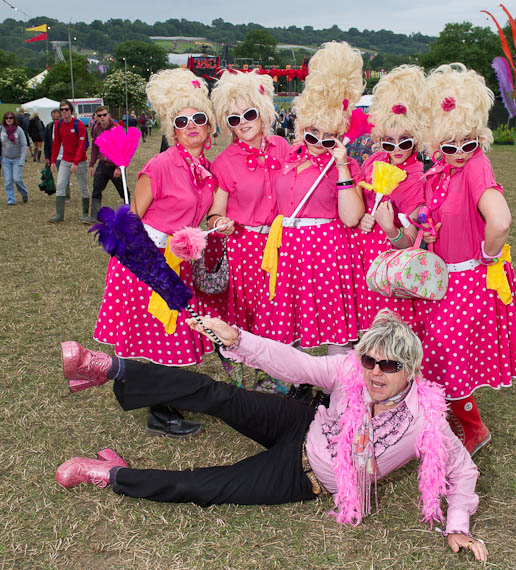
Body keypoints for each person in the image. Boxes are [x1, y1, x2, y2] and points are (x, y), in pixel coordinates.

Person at [56, 311, 488, 563]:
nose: (376, 372)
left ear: (411, 370)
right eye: (370, 360)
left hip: (306, 476)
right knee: (218, 394)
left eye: (390, 366)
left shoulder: (427, 422)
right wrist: (237, 339)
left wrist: (458, 525)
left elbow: (464, 472)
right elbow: (296, 363)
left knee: (206, 486)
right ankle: (107, 368)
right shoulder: (349, 371)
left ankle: (111, 475)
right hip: (301, 424)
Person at [93, 68, 219, 438]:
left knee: (170, 333)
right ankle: (160, 412)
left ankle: (158, 400)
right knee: (159, 333)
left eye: (199, 118)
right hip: (147, 259)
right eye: (183, 121)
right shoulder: (159, 166)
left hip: (181, 260)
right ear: (173, 130)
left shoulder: (207, 171)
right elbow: (132, 218)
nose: (192, 126)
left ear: (209, 127)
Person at [415, 63, 516, 455]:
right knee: (435, 350)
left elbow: (500, 220)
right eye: (451, 146)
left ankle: (474, 428)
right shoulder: (443, 171)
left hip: (466, 280)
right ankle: (449, 418)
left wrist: (485, 256)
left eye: (469, 143)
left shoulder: (477, 167)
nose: (461, 152)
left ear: (479, 135)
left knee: (445, 351)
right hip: (442, 278)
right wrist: (431, 232)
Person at [260, 41, 365, 407]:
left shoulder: (343, 166)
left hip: (324, 250)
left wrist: (339, 164)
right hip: (287, 250)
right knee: (289, 326)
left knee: (334, 329)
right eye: (312, 134)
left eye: (329, 137)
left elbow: (351, 217)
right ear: (302, 126)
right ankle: (292, 389)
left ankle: (344, 395)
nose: (319, 142)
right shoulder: (288, 156)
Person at [208, 69, 290, 392]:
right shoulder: (225, 162)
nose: (243, 122)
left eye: (249, 114)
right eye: (233, 118)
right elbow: (215, 212)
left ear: (263, 112)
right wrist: (219, 224)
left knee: (280, 311)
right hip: (244, 248)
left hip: (282, 244)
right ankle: (243, 377)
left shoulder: (284, 148)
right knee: (249, 313)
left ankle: (273, 376)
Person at [353, 65, 427, 336]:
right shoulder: (373, 161)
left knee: (390, 333)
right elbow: (358, 203)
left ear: (416, 139)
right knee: (364, 330)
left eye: (404, 142)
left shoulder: (419, 177)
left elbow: (410, 242)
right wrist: (362, 217)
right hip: (362, 261)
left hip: (391, 270)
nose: (396, 149)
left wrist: (390, 230)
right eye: (388, 142)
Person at [49, 100, 90, 223]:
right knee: (60, 185)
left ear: (71, 111)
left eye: (66, 109)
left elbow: (82, 145)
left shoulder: (79, 125)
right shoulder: (59, 124)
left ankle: (85, 214)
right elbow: (56, 143)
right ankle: (59, 215)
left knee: (83, 187)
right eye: (62, 109)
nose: (64, 112)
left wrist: (76, 162)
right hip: (65, 161)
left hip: (80, 161)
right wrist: (52, 161)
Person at [88, 105, 125, 223]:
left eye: (104, 115)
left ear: (108, 115)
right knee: (96, 188)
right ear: (96, 117)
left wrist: (119, 168)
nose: (102, 117)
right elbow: (94, 147)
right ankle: (93, 215)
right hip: (103, 164)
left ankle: (130, 212)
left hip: (116, 164)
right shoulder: (96, 129)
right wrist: (92, 164)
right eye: (100, 116)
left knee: (123, 190)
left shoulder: (116, 128)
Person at [0, 111, 29, 205]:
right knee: (8, 180)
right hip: (5, 159)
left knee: (17, 178)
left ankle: (24, 192)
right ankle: (11, 199)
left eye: (11, 118)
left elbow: (24, 145)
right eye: (7, 118)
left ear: (14, 119)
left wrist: (22, 159)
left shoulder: (19, 130)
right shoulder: (1, 129)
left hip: (17, 158)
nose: (8, 120)